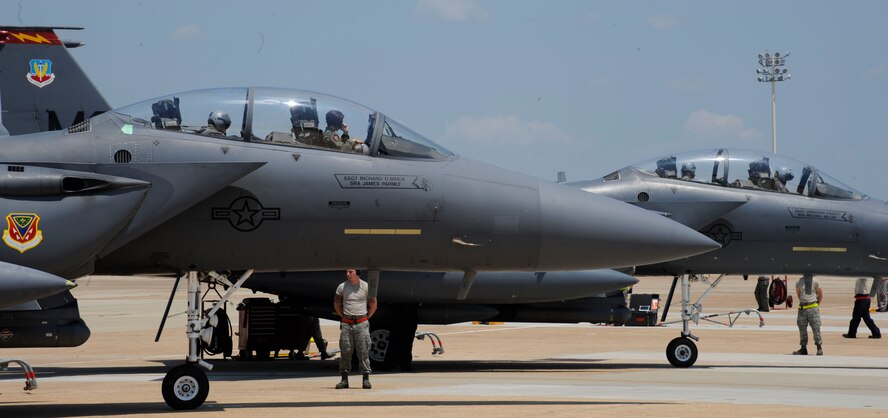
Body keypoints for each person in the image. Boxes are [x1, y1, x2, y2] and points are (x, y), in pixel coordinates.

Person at [333, 269, 377, 389]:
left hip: (361, 323)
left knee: (363, 350)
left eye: (351, 272)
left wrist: (366, 317)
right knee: (345, 350)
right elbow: (337, 303)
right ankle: (344, 379)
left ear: (357, 273)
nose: (348, 274)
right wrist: (343, 316)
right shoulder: (342, 287)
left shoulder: (366, 286)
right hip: (347, 323)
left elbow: (373, 303)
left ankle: (366, 379)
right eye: (347, 272)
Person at [793, 274, 823, 355]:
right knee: (802, 329)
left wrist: (816, 305)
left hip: (812, 308)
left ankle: (819, 347)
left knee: (816, 328)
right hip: (802, 308)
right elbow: (798, 293)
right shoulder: (799, 281)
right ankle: (803, 348)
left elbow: (820, 294)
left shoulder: (815, 281)